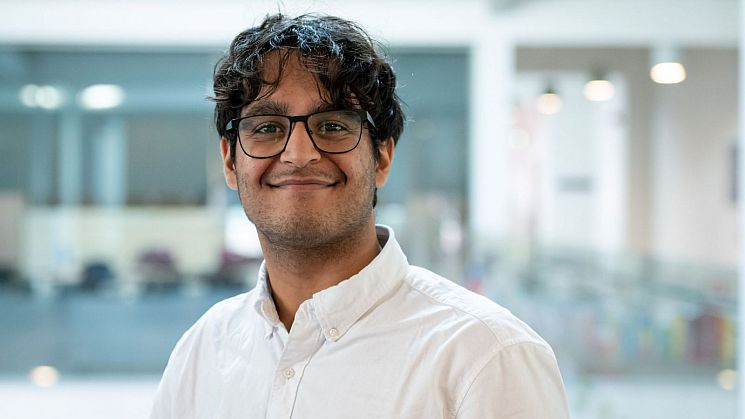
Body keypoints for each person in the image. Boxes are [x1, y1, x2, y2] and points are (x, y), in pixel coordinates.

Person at [149, 13, 569, 419]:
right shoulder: (204, 350)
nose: (298, 154)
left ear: (382, 157)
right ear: (229, 161)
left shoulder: (485, 357)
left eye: (332, 125)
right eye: (267, 128)